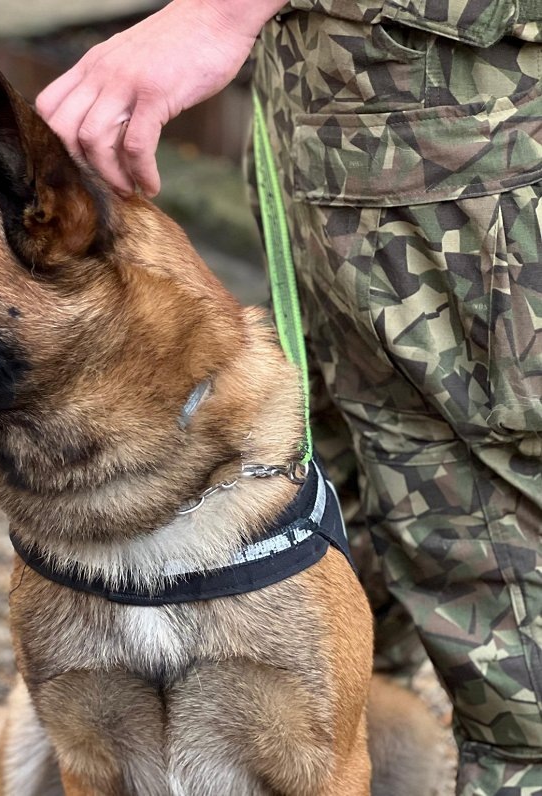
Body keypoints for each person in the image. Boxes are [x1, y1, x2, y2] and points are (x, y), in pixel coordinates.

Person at [36, 1, 542, 794]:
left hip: (465, 140)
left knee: (506, 603)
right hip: (339, 137)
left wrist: (214, 13)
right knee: (337, 515)